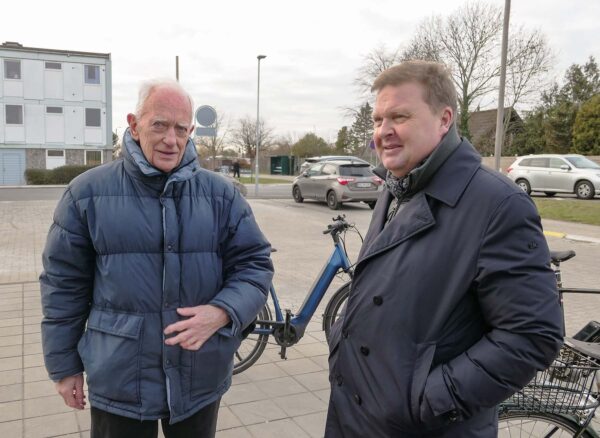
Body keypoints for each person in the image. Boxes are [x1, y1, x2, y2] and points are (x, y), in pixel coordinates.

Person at [325, 61, 563, 437]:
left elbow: (532, 335)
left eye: (399, 116)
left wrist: (431, 398)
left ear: (444, 119)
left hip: (421, 425)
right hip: (356, 410)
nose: (383, 132)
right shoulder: (395, 186)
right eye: (377, 120)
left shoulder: (497, 204)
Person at [40, 78, 273, 438]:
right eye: (159, 125)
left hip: (198, 375)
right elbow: (62, 285)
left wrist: (223, 311)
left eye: (181, 128)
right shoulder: (86, 194)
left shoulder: (222, 196)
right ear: (134, 124)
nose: (171, 139)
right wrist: (64, 366)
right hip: (120, 379)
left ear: (191, 130)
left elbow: (255, 264)